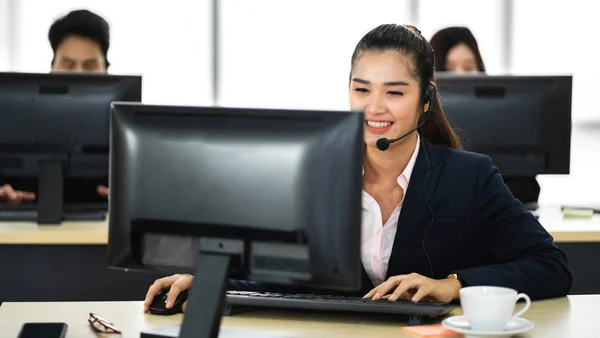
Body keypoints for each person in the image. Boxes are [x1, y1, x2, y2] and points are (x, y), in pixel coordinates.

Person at [143, 24, 572, 313]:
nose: (375, 108)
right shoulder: (312, 175)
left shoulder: (470, 175)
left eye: (395, 92)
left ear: (425, 100)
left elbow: (552, 266)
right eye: (361, 89)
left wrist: (454, 284)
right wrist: (211, 279)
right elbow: (278, 273)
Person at [0, 9, 111, 204]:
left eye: (90, 66)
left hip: (101, 230)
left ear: (106, 70)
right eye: (68, 65)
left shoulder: (124, 131)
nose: (78, 75)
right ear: (52, 68)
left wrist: (130, 198)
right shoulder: (16, 118)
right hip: (25, 229)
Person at [429, 26, 540, 207]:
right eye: (448, 68)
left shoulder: (505, 117)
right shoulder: (421, 122)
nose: (460, 76)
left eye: (468, 67)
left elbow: (527, 188)